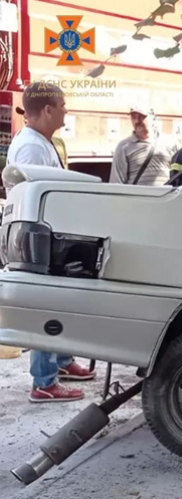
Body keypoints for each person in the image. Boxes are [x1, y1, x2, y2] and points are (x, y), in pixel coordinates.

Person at [6, 82, 96, 402]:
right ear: (47, 109)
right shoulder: (32, 147)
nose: (66, 109)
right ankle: (44, 382)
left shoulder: (39, 141)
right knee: (48, 305)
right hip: (42, 236)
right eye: (62, 104)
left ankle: (61, 361)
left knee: (60, 301)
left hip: (47, 233)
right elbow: (43, 197)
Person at [111, 106, 178, 186]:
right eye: (134, 117)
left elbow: (179, 175)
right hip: (138, 197)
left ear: (153, 118)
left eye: (141, 116)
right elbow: (116, 184)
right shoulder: (124, 147)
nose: (137, 121)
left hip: (166, 197)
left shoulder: (170, 143)